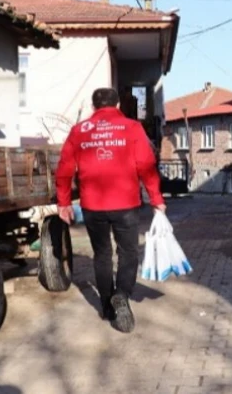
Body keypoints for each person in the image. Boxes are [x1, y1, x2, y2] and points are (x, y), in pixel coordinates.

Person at [55, 87, 166, 333]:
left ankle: (106, 306)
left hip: (93, 205)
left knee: (102, 254)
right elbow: (146, 165)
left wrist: (63, 203)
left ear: (94, 107)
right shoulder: (132, 127)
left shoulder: (78, 131)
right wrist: (156, 198)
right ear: (117, 106)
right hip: (125, 203)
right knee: (128, 252)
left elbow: (64, 169)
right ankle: (122, 295)